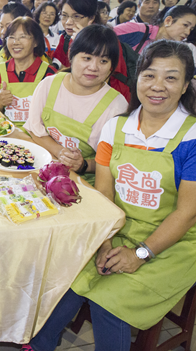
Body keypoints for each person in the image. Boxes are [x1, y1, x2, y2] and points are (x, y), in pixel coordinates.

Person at [24, 39, 196, 351]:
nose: (158, 86)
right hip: (119, 225)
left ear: (186, 85)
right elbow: (104, 193)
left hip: (176, 241)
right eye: (149, 75)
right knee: (67, 276)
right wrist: (105, 242)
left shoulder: (192, 136)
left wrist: (140, 254)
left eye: (171, 77)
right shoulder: (117, 128)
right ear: (137, 78)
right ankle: (39, 345)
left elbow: (186, 213)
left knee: (109, 304)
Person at [24, 24, 128, 184]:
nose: (93, 67)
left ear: (111, 66)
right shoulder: (49, 85)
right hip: (40, 167)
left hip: (82, 182)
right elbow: (35, 129)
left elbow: (117, 161)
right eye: (87, 58)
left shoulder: (117, 106)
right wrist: (61, 152)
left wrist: (83, 165)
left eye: (103, 61)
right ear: (71, 56)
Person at [0, 17, 56, 128]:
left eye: (22, 37)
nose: (15, 42)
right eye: (11, 37)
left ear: (36, 41)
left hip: (38, 139)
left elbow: (55, 119)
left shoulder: (50, 74)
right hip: (5, 137)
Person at [115, 6, 196, 54]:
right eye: (185, 25)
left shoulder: (173, 51)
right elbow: (104, 35)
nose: (188, 32)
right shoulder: (138, 30)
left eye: (191, 29)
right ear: (168, 21)